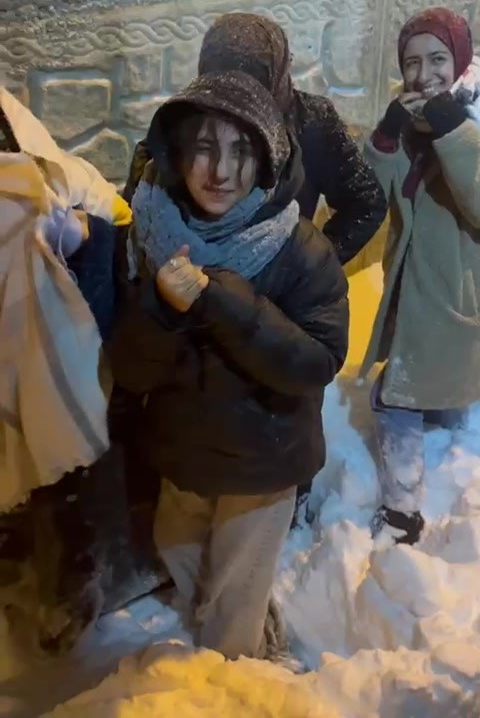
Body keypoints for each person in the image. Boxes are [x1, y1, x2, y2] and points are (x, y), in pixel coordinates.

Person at [110, 70, 349, 660]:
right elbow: (132, 369)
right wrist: (161, 308)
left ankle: (238, 676)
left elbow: (317, 361)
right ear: (178, 152)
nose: (221, 171)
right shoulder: (151, 231)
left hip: (262, 460)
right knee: (178, 547)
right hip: (183, 450)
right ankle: (237, 622)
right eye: (205, 147)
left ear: (266, 159)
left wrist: (226, 303)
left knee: (229, 617)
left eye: (241, 150)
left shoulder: (299, 249)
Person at [122, 12, 386, 525]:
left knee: (277, 438)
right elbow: (146, 206)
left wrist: (316, 263)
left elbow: (366, 201)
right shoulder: (192, 128)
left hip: (280, 306)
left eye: (254, 79)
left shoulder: (311, 121)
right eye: (224, 76)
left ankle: (290, 503)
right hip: (192, 348)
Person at [0, 87, 132, 654]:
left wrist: (82, 234)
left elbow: (113, 222)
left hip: (60, 348)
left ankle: (66, 591)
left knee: (62, 465)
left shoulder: (54, 181)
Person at [359, 6, 480, 545]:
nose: (424, 74)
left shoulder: (471, 119)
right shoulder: (413, 121)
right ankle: (446, 417)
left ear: (460, 59)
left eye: (437, 59)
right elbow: (372, 195)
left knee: (394, 397)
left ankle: (402, 511)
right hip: (416, 286)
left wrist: (453, 128)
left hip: (453, 295)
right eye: (412, 62)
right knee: (437, 380)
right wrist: (387, 136)